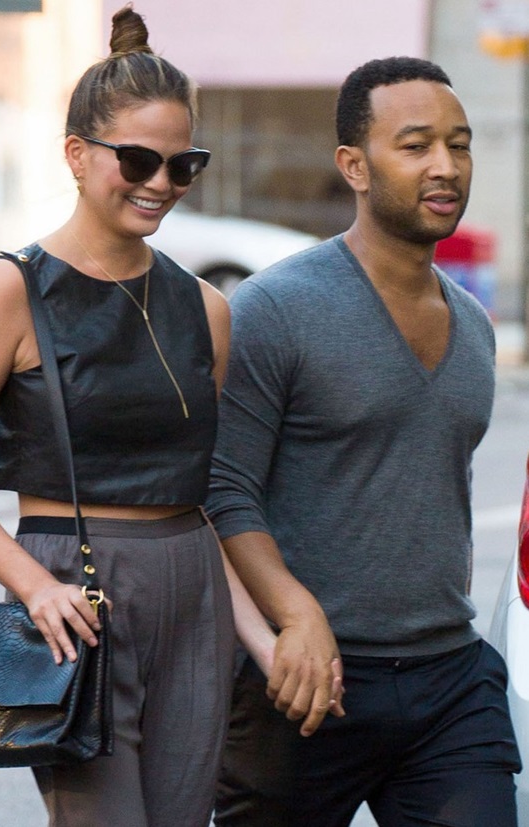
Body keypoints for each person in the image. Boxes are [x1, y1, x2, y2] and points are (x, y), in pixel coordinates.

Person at [0, 6, 278, 827]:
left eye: (184, 166)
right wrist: (33, 585)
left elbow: (207, 496)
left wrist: (257, 633)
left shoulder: (208, 308)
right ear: (78, 155)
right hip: (75, 592)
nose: (161, 184)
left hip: (193, 592)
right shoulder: (11, 289)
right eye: (140, 160)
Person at [206, 56, 522, 827]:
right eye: (415, 146)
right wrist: (295, 614)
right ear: (354, 164)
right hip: (306, 681)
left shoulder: (475, 327)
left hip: (451, 678)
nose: (445, 166)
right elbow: (221, 486)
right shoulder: (278, 308)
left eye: (460, 143)